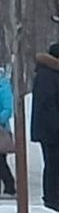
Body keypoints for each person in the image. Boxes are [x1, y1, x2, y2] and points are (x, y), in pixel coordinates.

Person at [31, 42, 59, 212]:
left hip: (53, 130)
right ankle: (52, 202)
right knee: (55, 166)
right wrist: (58, 127)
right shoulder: (48, 75)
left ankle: (55, 201)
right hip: (51, 131)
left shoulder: (56, 74)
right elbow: (47, 104)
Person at [0, 67, 15, 197]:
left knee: (0, 160)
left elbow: (8, 108)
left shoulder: (3, 86)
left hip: (1, 128)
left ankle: (10, 186)